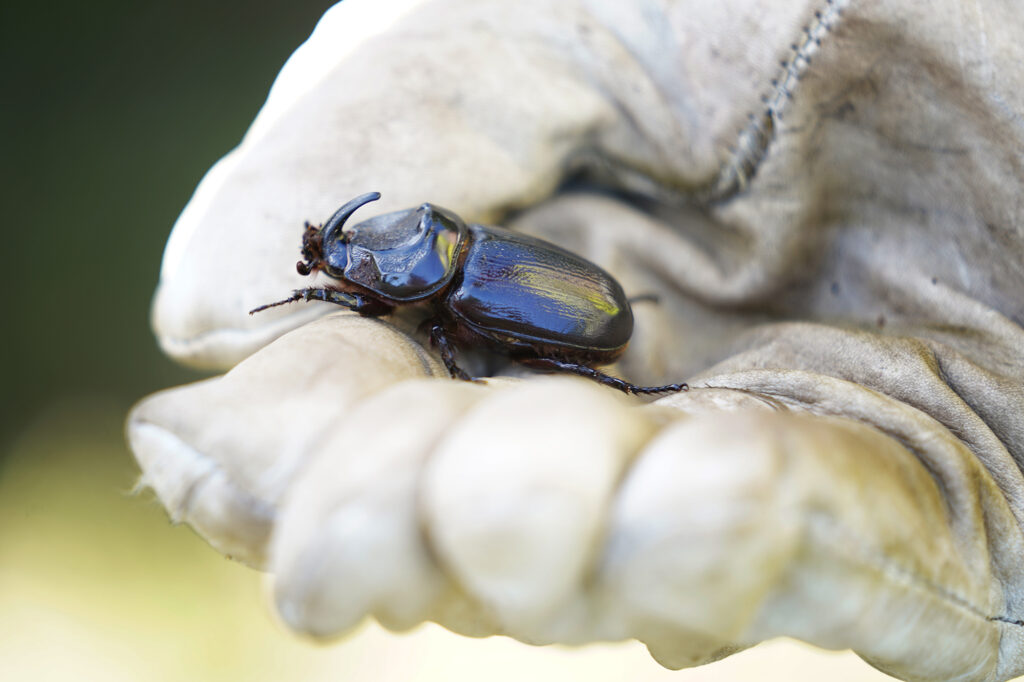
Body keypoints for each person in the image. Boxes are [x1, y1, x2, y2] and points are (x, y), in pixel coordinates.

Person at [127, 1, 1024, 679]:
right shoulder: (440, 254)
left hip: (588, 323)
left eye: (353, 269)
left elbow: (418, 304)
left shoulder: (451, 278)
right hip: (576, 298)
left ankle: (624, 394)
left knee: (503, 351)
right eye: (344, 269)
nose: (345, 275)